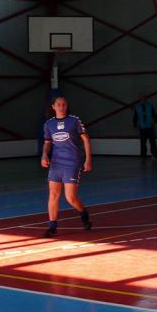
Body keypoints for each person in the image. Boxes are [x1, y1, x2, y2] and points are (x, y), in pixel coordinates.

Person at [40, 96, 92, 237]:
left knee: (70, 197)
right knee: (53, 194)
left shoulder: (74, 120)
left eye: (64, 104)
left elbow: (86, 139)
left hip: (72, 162)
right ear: (53, 106)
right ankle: (52, 226)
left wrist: (88, 159)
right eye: (58, 104)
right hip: (56, 162)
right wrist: (44, 155)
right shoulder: (49, 124)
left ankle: (83, 213)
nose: (61, 107)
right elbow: (47, 142)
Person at [133, 92, 157, 159]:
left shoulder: (150, 106)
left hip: (150, 127)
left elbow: (154, 114)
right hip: (142, 127)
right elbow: (135, 116)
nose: (142, 98)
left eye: (144, 97)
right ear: (139, 98)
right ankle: (143, 156)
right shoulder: (137, 107)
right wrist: (135, 124)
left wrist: (156, 121)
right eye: (141, 97)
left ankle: (155, 155)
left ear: (146, 98)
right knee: (143, 143)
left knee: (152, 142)